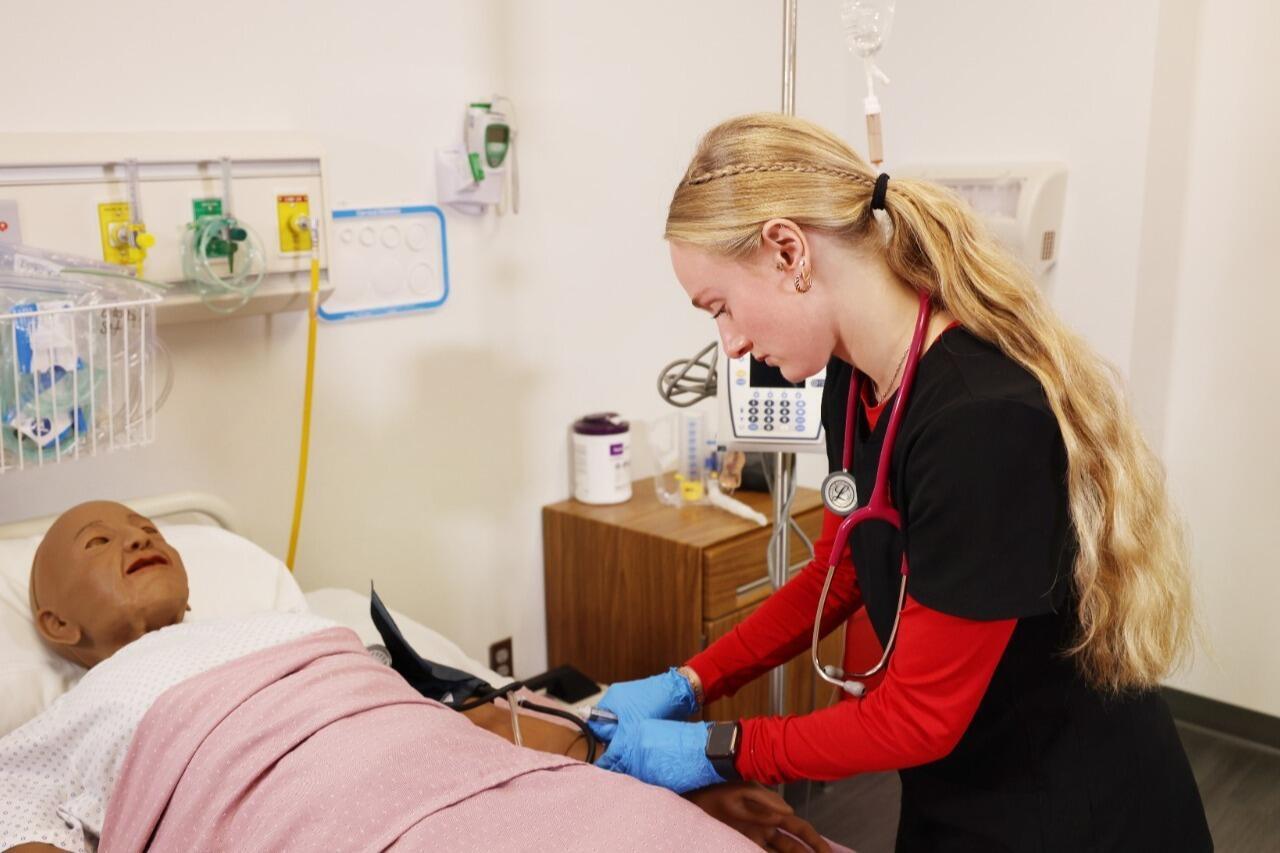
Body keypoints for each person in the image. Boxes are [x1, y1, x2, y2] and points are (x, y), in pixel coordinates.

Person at [592, 113, 1213, 851]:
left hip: (1066, 806)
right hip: (952, 784)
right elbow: (841, 568)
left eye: (720, 307)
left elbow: (918, 715)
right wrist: (692, 679)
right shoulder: (852, 381)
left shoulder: (982, 421)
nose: (731, 344)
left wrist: (715, 747)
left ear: (788, 250)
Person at [3, 501, 830, 853]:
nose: (134, 536)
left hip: (479, 787)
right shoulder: (79, 710)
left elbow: (436, 724)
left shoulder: (302, 630)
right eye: (97, 543)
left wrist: (613, 755)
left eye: (144, 526)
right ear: (53, 625)